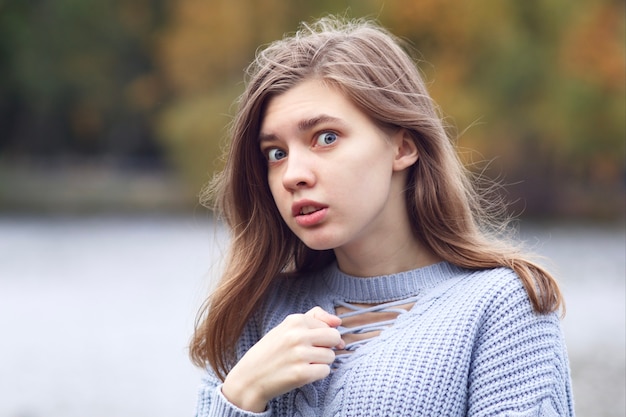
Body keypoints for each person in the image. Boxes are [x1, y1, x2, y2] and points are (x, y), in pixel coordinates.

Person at [190, 16, 575, 417]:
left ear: (402, 147)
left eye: (326, 137)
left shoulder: (502, 307)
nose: (293, 175)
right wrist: (240, 394)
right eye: (276, 153)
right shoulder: (255, 312)